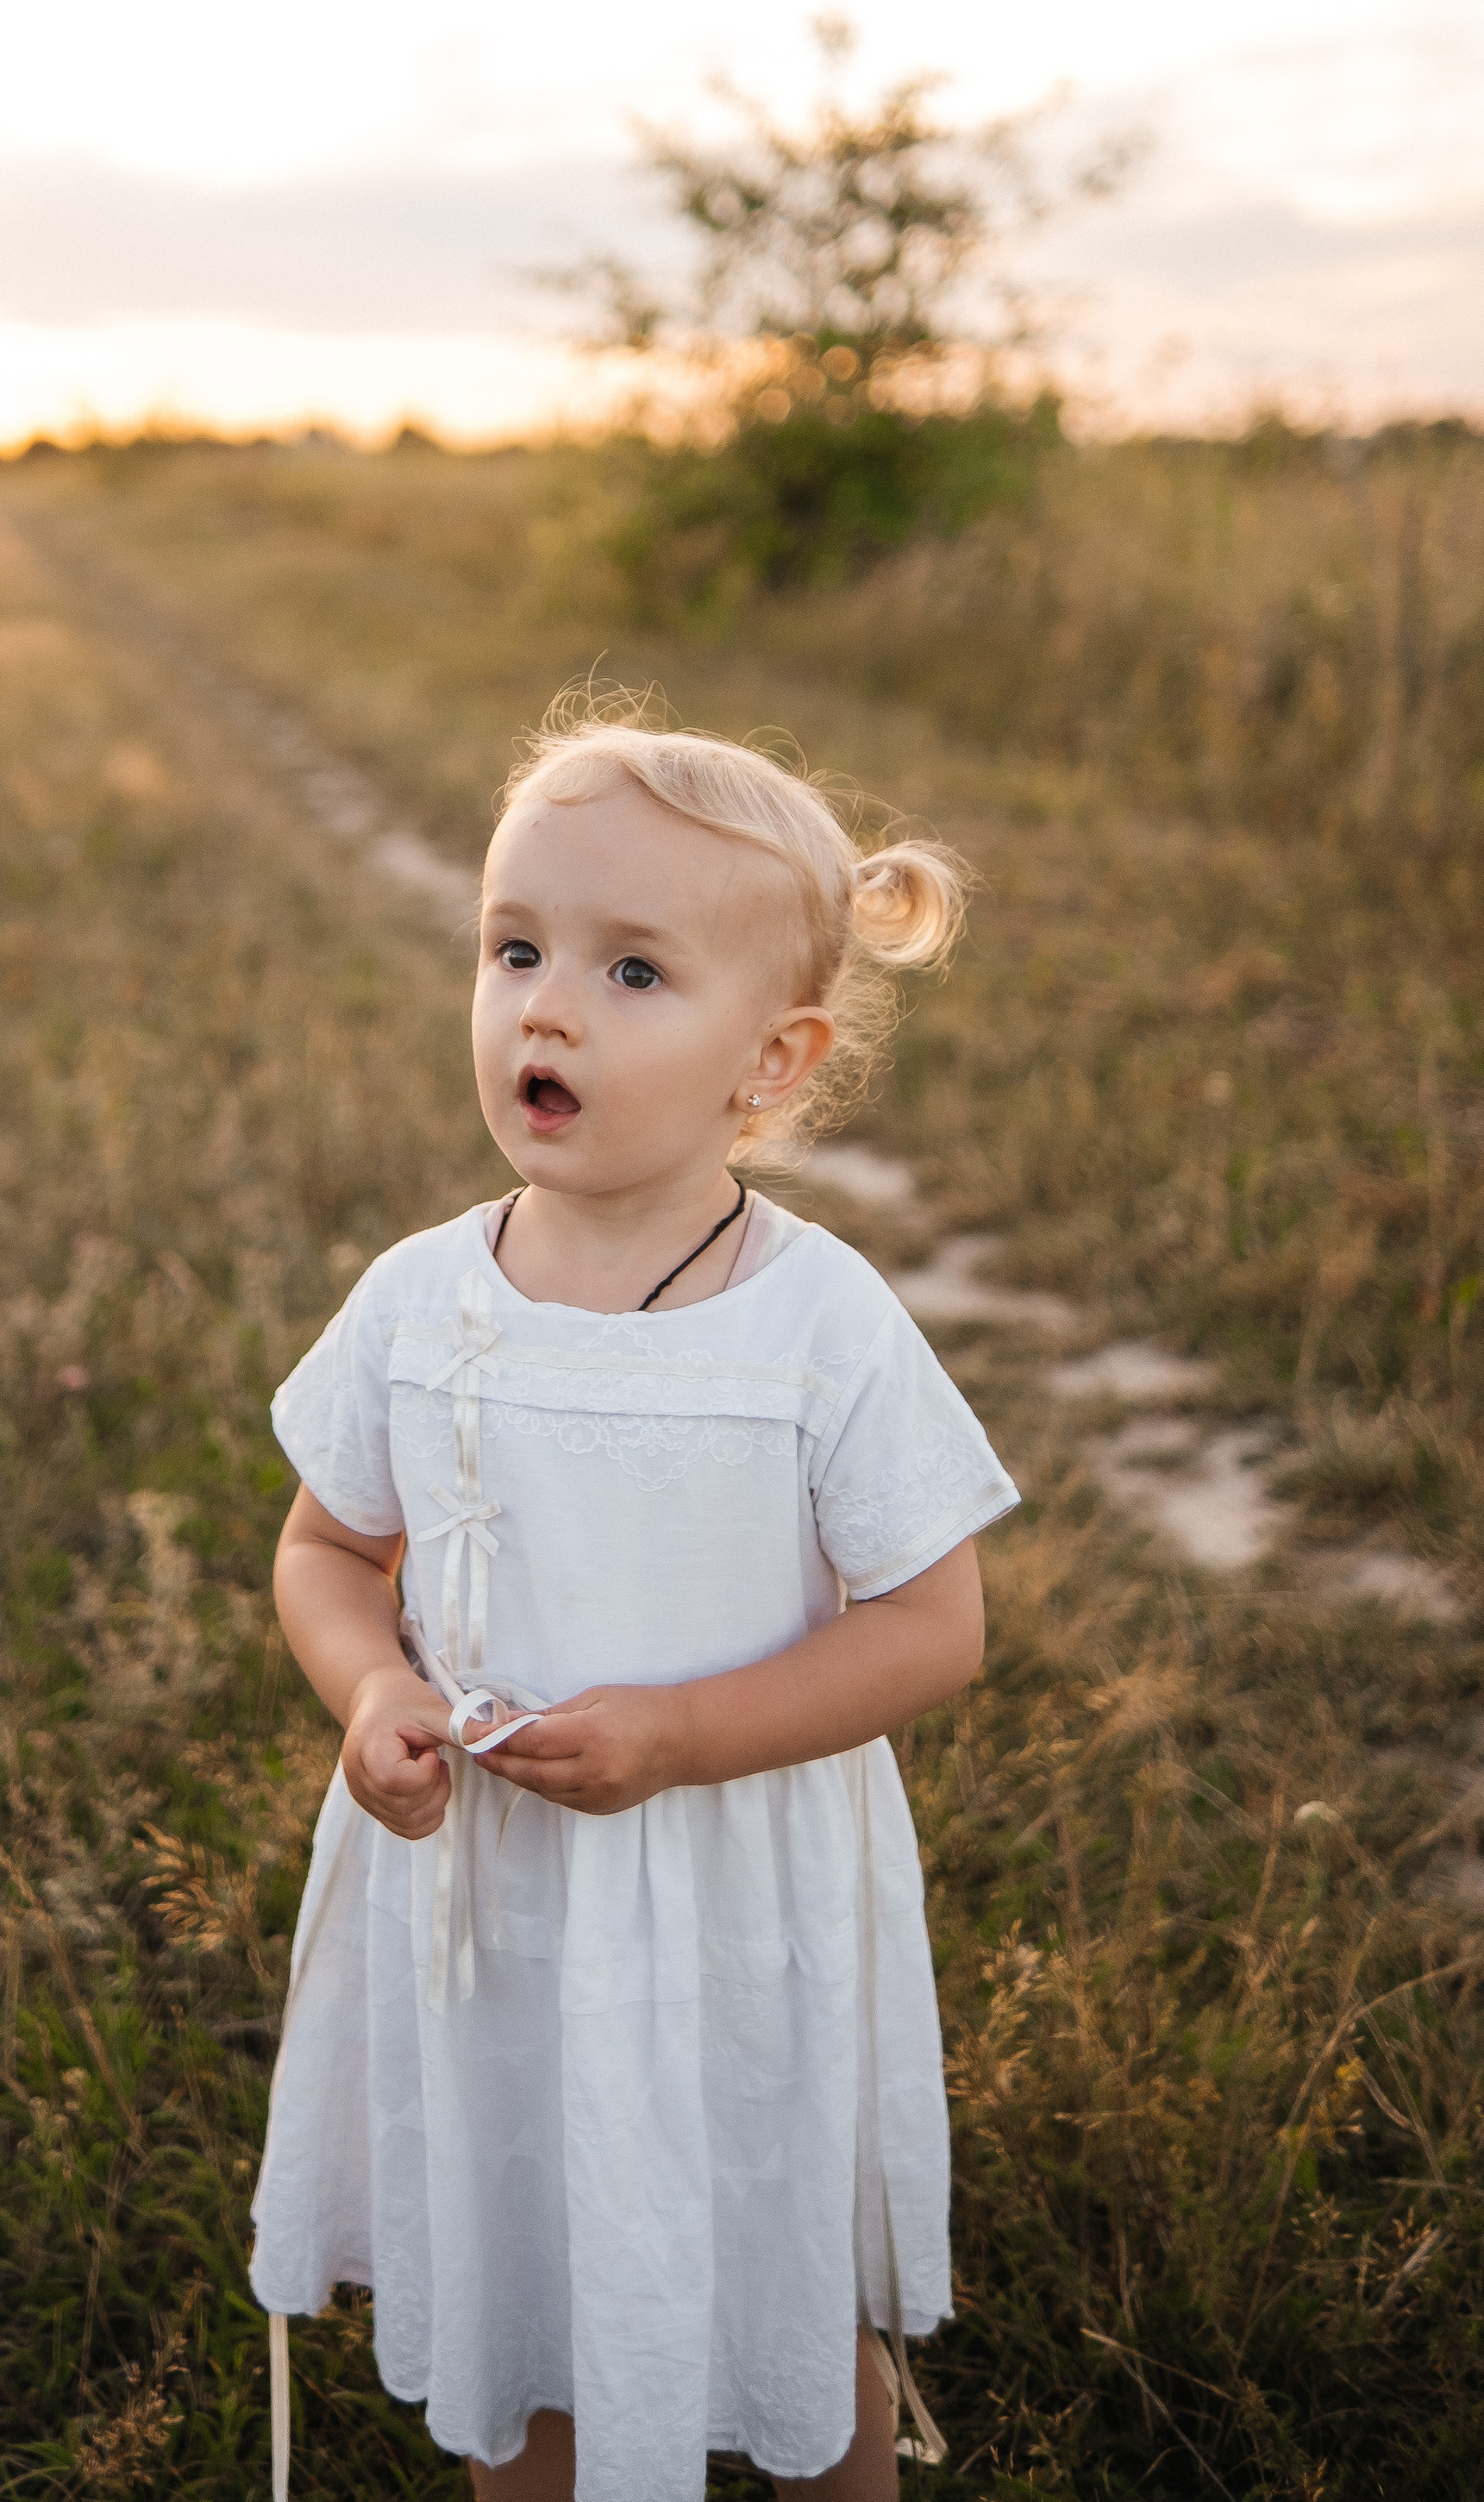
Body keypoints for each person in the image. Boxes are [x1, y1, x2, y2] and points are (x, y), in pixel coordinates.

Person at [249, 705, 1020, 2502]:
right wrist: (369, 1694)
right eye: (513, 947)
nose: (545, 1006)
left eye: (628, 970)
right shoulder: (418, 1301)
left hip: (727, 1897)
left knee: (769, 2261)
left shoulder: (815, 1326)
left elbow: (930, 1627)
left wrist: (679, 1735)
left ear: (771, 1062)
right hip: (492, 1902)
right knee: (528, 2272)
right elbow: (321, 1553)